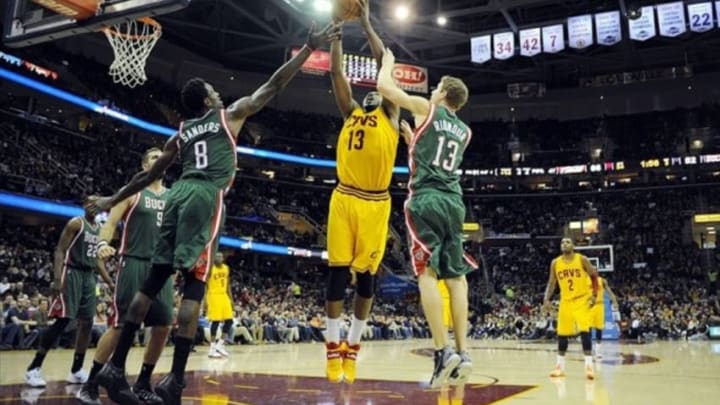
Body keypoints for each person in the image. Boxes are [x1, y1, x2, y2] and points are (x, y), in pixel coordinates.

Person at [88, 22, 340, 405]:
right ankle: (173, 381)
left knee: (152, 282)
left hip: (178, 195)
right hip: (205, 196)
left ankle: (114, 366)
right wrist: (307, 49)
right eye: (213, 90)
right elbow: (272, 87)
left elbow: (150, 174)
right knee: (194, 286)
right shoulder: (230, 115)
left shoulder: (182, 131)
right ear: (208, 100)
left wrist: (110, 200)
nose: (219, 92)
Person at [377, 49, 477, 388]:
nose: (431, 91)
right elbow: (435, 152)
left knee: (427, 274)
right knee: (457, 279)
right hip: (454, 202)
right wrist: (412, 144)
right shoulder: (465, 132)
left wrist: (388, 65)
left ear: (444, 94)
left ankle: (441, 350)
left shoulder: (428, 109)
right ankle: (463, 354)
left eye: (435, 88)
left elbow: (386, 90)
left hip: (426, 200)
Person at [323, 0, 399, 384]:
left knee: (366, 279)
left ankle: (353, 346)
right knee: (336, 275)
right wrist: (336, 32)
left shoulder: (390, 113)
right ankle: (333, 347)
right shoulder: (350, 111)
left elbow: (382, 58)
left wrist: (367, 23)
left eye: (376, 89)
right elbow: (336, 71)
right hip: (344, 196)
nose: (370, 91)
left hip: (375, 202)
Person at [77, 148, 174, 405]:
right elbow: (109, 223)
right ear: (144, 165)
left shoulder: (174, 196)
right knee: (121, 327)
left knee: (163, 327)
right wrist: (101, 245)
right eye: (154, 157)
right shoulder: (131, 191)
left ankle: (143, 383)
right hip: (133, 262)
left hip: (162, 267)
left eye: (163, 157)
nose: (160, 160)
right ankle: (90, 385)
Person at [25, 199, 113, 388]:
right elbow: (60, 250)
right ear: (84, 205)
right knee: (62, 320)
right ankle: (34, 368)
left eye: (96, 202)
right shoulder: (75, 223)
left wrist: (110, 282)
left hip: (89, 276)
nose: (93, 205)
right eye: (89, 202)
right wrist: (57, 279)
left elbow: (98, 261)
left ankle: (76, 370)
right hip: (71, 272)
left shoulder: (100, 229)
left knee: (87, 323)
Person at [542, 238, 600, 380]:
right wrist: (546, 299)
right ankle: (559, 367)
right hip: (566, 301)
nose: (564, 244)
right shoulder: (555, 263)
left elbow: (594, 275)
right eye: (562, 242)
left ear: (573, 245)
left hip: (582, 299)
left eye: (568, 242)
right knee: (562, 334)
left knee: (585, 331)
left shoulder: (582, 259)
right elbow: (551, 282)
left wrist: (594, 295)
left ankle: (589, 367)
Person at [206, 252, 233, 358]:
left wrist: (231, 299)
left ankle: (220, 345)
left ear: (223, 258)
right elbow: (205, 285)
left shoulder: (226, 268)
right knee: (215, 322)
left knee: (229, 321)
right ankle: (212, 349)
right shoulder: (210, 269)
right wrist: (205, 300)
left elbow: (228, 284)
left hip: (224, 295)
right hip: (213, 295)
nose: (218, 258)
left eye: (220, 256)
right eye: (216, 256)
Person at [589, 275, 619, 359]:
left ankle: (598, 351)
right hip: (588, 305)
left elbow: (610, 292)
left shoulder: (601, 280)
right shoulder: (584, 280)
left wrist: (615, 301)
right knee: (587, 329)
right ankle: (589, 349)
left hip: (599, 306)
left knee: (599, 329)